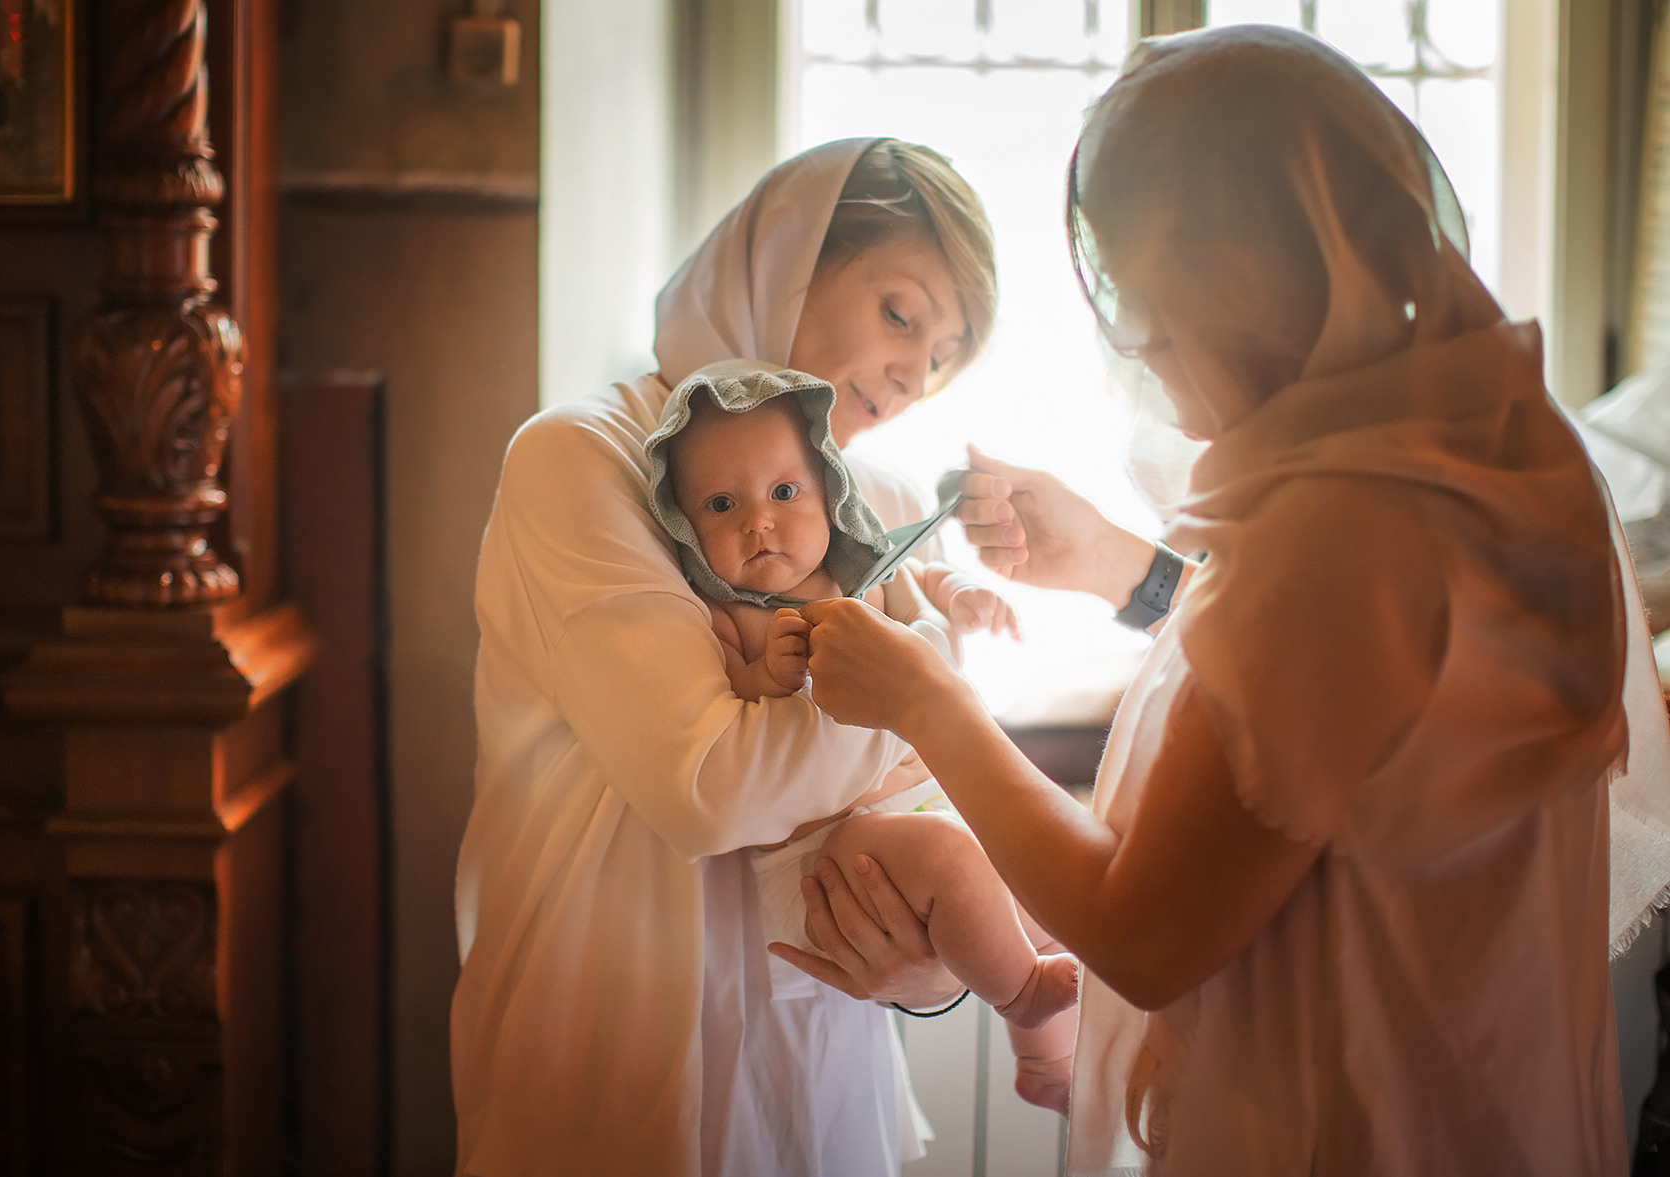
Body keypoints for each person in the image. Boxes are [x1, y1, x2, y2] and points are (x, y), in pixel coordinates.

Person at [776, 26, 1670, 1176]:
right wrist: (1123, 569)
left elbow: (1145, 931)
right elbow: (1355, 716)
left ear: (1238, 283)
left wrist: (928, 701)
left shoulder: (1340, 541)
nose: (1142, 354)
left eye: (1152, 306)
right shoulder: (1491, 451)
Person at [450, 138, 997, 1177]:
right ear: (788, 255)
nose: (914, 371)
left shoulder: (871, 502)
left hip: (823, 1057)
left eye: (943, 351)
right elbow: (710, 790)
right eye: (900, 311)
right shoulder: (580, 457)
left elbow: (931, 803)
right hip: (610, 1055)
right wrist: (927, 666)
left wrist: (930, 970)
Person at [649, 359, 1076, 1108]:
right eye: (722, 503)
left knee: (1027, 868)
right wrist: (767, 676)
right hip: (820, 855)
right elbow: (721, 702)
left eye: (784, 491)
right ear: (685, 524)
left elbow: (927, 581)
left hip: (898, 812)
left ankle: (1043, 1060)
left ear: (827, 489)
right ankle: (1023, 995)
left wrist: (966, 592)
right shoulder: (729, 613)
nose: (759, 520)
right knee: (954, 855)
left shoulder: (862, 564)